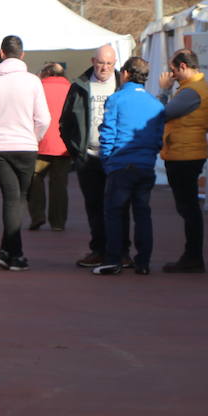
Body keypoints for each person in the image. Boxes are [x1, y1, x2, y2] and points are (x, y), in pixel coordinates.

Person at [0, 35, 49, 271]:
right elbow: (43, 118)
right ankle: (14, 252)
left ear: (1, 52)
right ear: (22, 55)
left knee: (12, 199)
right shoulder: (32, 81)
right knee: (18, 199)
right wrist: (34, 136)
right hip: (26, 146)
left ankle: (8, 250)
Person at [93, 57, 164, 276]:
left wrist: (107, 161)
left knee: (114, 212)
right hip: (144, 165)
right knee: (142, 213)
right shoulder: (157, 104)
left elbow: (108, 133)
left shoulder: (116, 99)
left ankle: (114, 259)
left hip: (121, 165)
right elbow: (158, 137)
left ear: (125, 74)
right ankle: (143, 262)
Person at [60, 44, 124, 268]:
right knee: (94, 206)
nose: (104, 68)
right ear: (92, 61)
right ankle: (98, 249)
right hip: (88, 156)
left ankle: (121, 250)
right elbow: (65, 121)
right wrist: (75, 150)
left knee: (119, 205)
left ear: (115, 64)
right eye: (100, 63)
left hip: (116, 157)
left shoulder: (122, 85)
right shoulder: (80, 86)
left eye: (109, 63)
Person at [158, 49, 208, 273]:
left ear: (182, 67)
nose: (171, 75)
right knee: (188, 208)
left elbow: (162, 113)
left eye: (173, 70)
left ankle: (193, 256)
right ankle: (192, 255)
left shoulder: (191, 92)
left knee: (188, 208)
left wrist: (163, 91)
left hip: (185, 154)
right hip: (187, 151)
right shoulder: (194, 88)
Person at [28, 62, 72, 231]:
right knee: (59, 185)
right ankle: (58, 222)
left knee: (34, 180)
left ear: (45, 73)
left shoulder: (37, 87)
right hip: (63, 146)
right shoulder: (71, 88)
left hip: (39, 144)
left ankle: (37, 216)